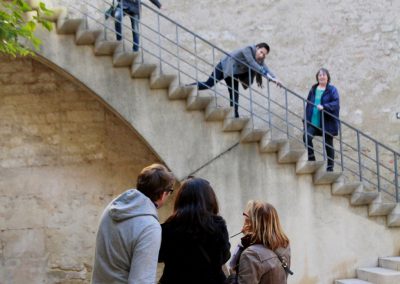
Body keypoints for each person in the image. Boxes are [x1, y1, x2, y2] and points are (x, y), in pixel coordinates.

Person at [91, 163, 175, 284]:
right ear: (163, 194)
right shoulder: (150, 227)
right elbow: (141, 280)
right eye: (169, 192)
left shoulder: (111, 209)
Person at [158, 177, 231, 284]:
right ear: (210, 199)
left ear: (180, 199)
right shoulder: (217, 226)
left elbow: (159, 257)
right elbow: (224, 257)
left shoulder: (168, 228)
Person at [191, 43, 281, 118]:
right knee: (208, 84)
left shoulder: (260, 60)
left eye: (264, 55)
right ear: (257, 48)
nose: (262, 55)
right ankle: (189, 87)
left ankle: (235, 116)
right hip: (224, 66)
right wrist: (268, 76)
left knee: (234, 93)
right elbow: (252, 63)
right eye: (261, 52)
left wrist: (275, 79)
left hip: (232, 73)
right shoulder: (248, 49)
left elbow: (266, 69)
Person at [229, 200, 291, 284]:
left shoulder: (251, 254)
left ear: (254, 224)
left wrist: (233, 274)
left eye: (247, 221)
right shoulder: (284, 245)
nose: (243, 227)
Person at [303, 68, 340, 172]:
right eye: (320, 75)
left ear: (328, 77)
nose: (322, 76)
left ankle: (330, 167)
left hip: (327, 122)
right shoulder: (313, 89)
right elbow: (308, 104)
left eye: (324, 75)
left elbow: (336, 104)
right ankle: (311, 158)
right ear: (317, 77)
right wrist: (305, 119)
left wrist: (325, 106)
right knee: (306, 136)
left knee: (328, 144)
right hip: (314, 121)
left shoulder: (332, 90)